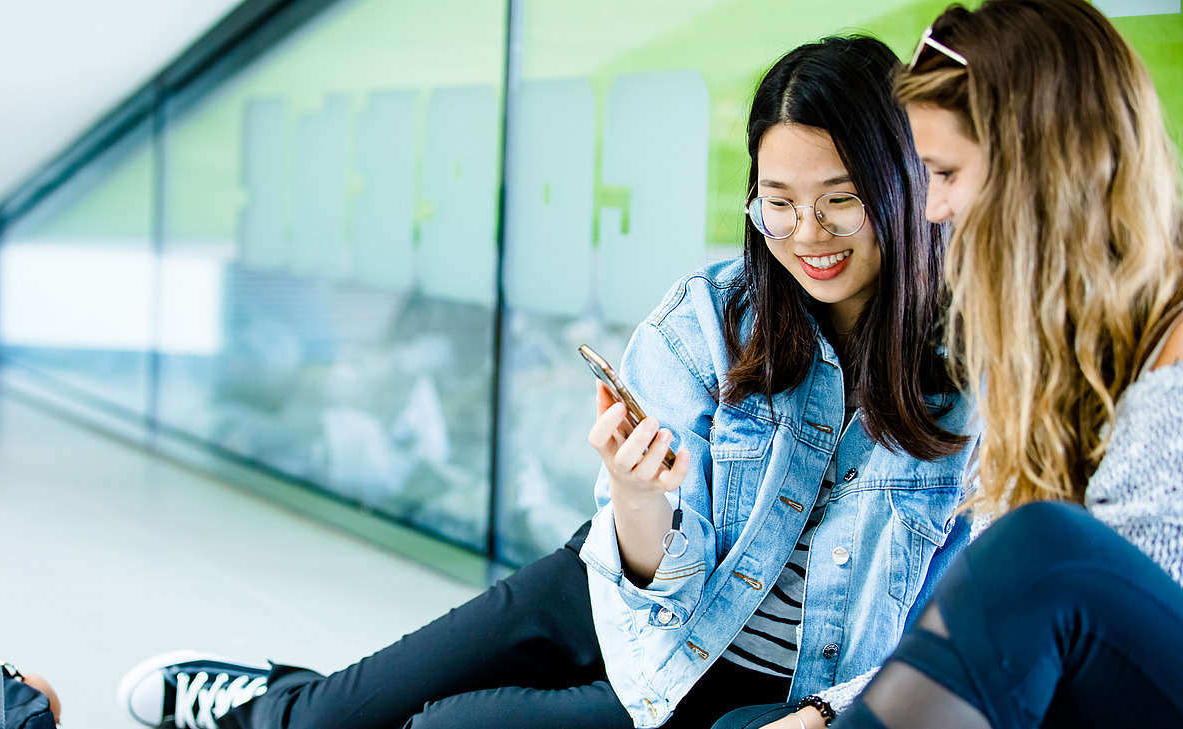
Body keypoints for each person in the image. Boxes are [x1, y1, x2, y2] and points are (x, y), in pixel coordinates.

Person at [116, 35, 978, 729]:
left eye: (841, 198)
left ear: (908, 187)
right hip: (630, 583)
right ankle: (264, 706)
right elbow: (648, 566)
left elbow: (961, 626)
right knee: (357, 706)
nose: (806, 233)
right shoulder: (711, 319)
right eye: (778, 201)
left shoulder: (979, 370)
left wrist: (833, 713)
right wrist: (637, 495)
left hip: (763, 690)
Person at [756, 2, 1183, 727]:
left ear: (1039, 167)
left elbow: (1089, 607)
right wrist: (825, 713)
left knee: (1044, 544)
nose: (932, 207)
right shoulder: (1048, 357)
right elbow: (989, 621)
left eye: (946, 172)